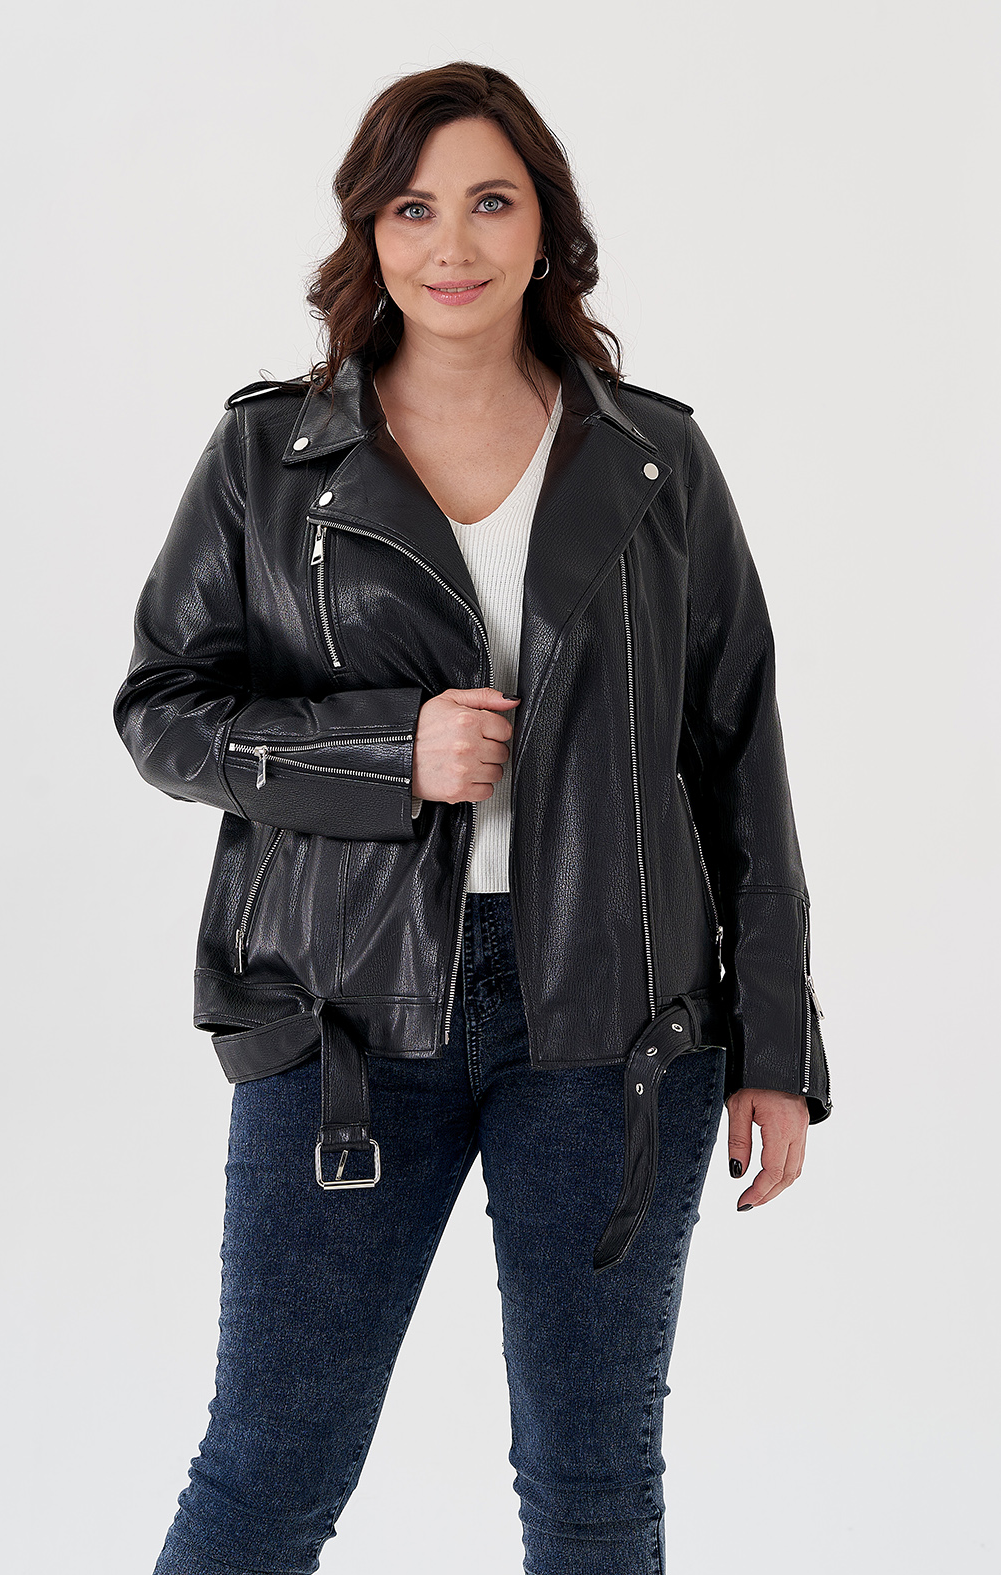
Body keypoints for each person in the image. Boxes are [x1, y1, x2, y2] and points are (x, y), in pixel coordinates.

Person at [114, 59, 831, 1575]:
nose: (451, 244)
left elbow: (738, 759)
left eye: (491, 202)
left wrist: (776, 1048)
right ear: (367, 233)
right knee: (264, 1477)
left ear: (545, 225)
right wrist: (390, 753)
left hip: (619, 1027)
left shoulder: (653, 460)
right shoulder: (268, 459)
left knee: (594, 1488)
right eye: (413, 206)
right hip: (342, 1021)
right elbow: (164, 714)